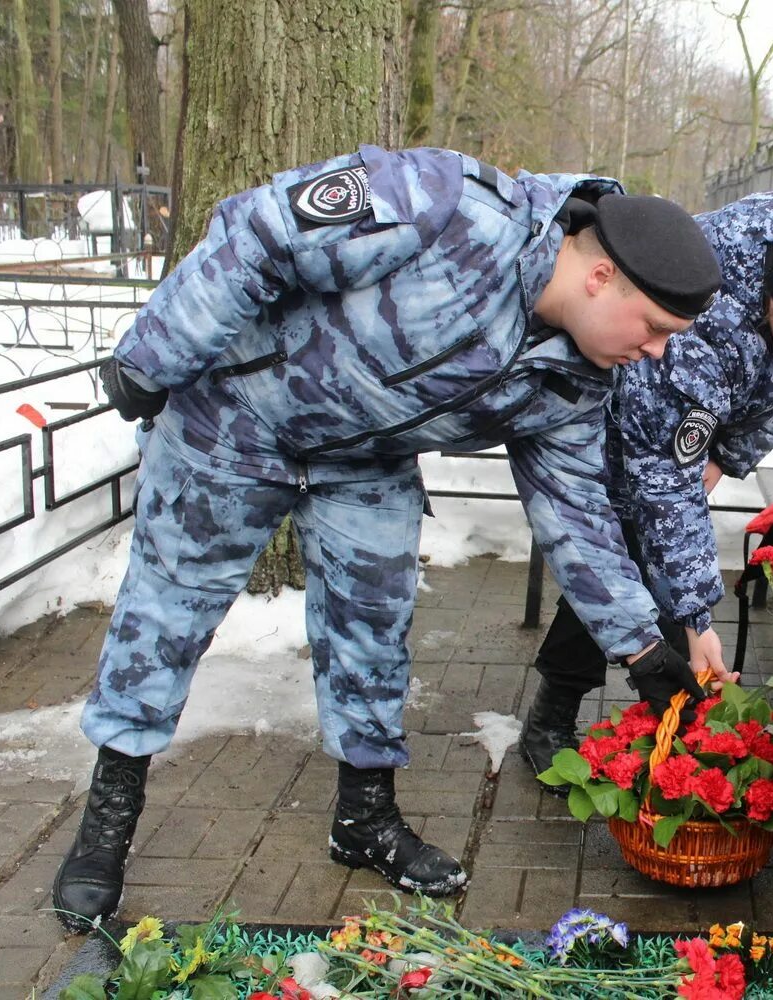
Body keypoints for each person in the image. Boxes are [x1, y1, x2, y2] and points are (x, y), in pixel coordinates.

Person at [52, 144, 723, 931]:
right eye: (655, 328)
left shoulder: (578, 380)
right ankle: (107, 824)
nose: (657, 352)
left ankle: (363, 819)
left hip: (362, 462)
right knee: (165, 618)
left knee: (373, 630)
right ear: (600, 275)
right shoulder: (447, 205)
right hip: (231, 421)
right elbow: (265, 228)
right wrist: (154, 353)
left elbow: (575, 511)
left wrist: (641, 648)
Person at [519, 190, 773, 784]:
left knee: (655, 553)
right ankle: (556, 712)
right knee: (620, 551)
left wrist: (724, 452)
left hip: (683, 433)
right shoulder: (708, 308)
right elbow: (665, 484)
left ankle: (673, 715)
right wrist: (699, 619)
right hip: (622, 406)